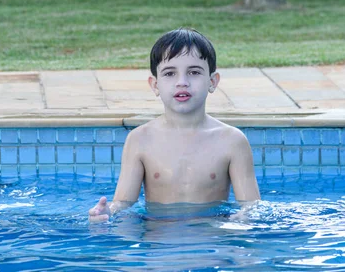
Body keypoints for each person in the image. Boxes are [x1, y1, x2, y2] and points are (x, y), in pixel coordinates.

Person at [89, 28, 260, 222]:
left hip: (212, 242)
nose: (182, 82)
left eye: (194, 72)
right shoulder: (140, 140)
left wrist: (243, 217)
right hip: (158, 242)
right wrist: (107, 213)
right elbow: (122, 203)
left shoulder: (232, 141)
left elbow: (251, 205)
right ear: (155, 85)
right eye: (170, 73)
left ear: (212, 82)